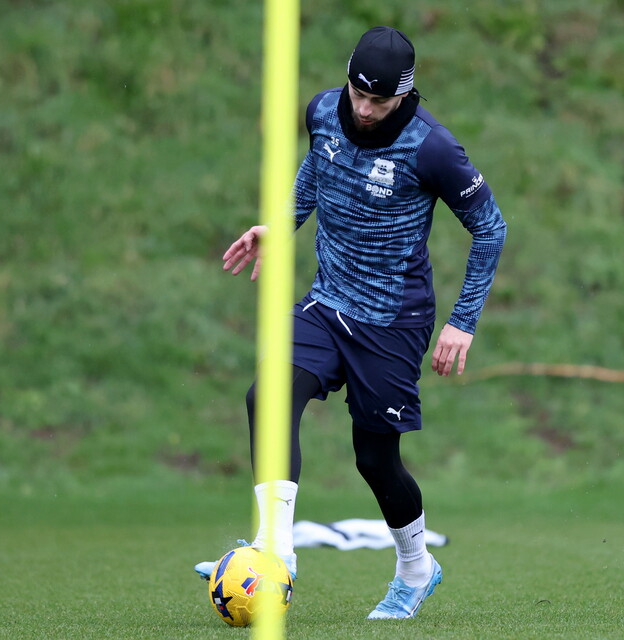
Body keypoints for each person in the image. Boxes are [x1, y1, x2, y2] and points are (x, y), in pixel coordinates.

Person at [197, 25, 507, 620]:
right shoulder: (321, 110)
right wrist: (281, 225)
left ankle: (417, 568)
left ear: (404, 95)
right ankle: (274, 552)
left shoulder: (434, 149)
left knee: (375, 459)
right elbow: (318, 167)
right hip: (326, 301)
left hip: (393, 320)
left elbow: (491, 229)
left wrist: (462, 323)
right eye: (358, 95)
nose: (364, 110)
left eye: (379, 101)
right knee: (268, 396)